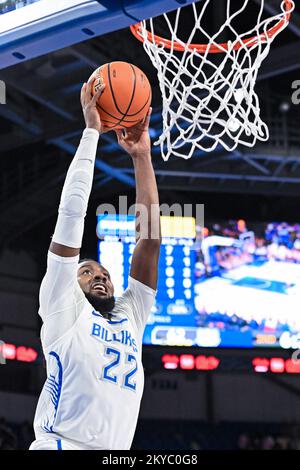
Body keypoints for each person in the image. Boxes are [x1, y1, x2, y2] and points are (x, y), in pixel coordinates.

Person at [29, 80, 161, 450]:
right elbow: (72, 213)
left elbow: (149, 242)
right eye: (87, 271)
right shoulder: (62, 306)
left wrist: (141, 156)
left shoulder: (129, 316)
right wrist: (91, 132)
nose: (99, 276)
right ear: (71, 281)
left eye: (103, 274)